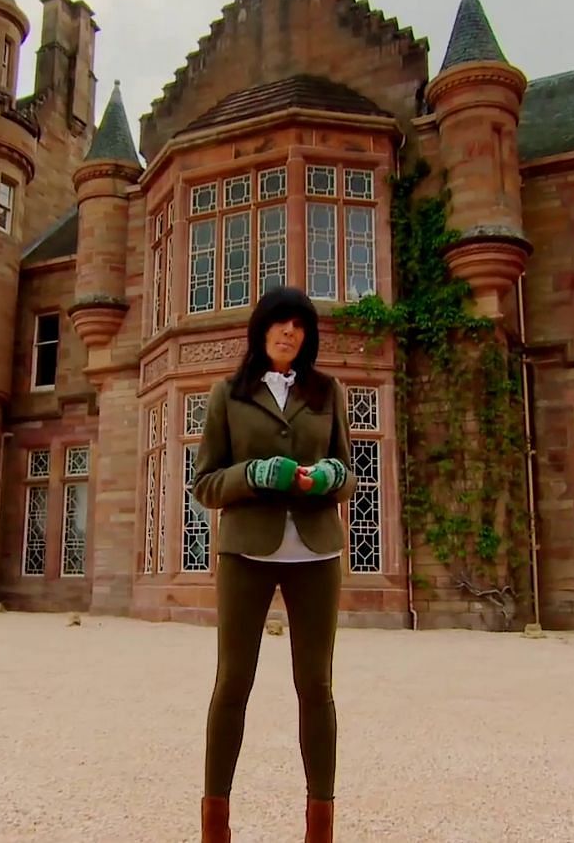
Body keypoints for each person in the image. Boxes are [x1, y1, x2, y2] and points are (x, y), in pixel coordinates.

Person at [190, 286, 356, 843]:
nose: (289, 333)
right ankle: (216, 826)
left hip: (317, 551)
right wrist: (254, 475)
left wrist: (331, 477)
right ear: (260, 330)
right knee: (233, 683)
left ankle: (320, 829)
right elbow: (205, 484)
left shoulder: (327, 390)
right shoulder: (227, 395)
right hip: (245, 552)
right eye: (280, 323)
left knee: (316, 686)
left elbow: (348, 469)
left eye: (300, 326)